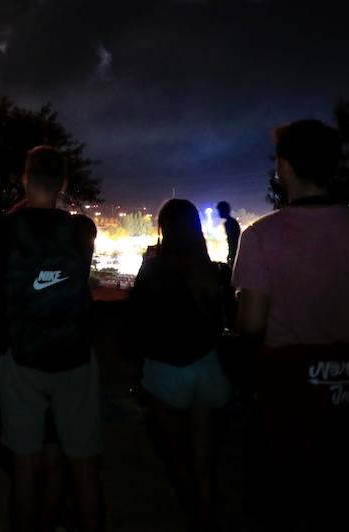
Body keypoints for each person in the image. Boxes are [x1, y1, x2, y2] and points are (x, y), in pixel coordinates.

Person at [232, 119, 349, 530]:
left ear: (283, 167)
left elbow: (251, 324)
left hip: (288, 393)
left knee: (289, 501)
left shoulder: (260, 237)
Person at [0, 146, 103, 532]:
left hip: (22, 355)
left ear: (24, 179)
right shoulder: (83, 230)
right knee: (82, 465)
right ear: (64, 183)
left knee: (25, 466)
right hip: (75, 355)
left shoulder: (1, 230)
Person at [128, 199, 229, 532]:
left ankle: (199, 520)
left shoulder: (153, 268)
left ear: (163, 228)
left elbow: (137, 321)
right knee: (204, 461)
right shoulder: (210, 270)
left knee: (178, 461)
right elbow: (222, 321)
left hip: (166, 369)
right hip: (208, 369)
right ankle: (210, 515)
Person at [215, 202, 240, 270]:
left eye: (219, 211)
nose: (218, 213)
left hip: (235, 254)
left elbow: (232, 241)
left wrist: (231, 255)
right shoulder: (232, 222)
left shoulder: (229, 223)